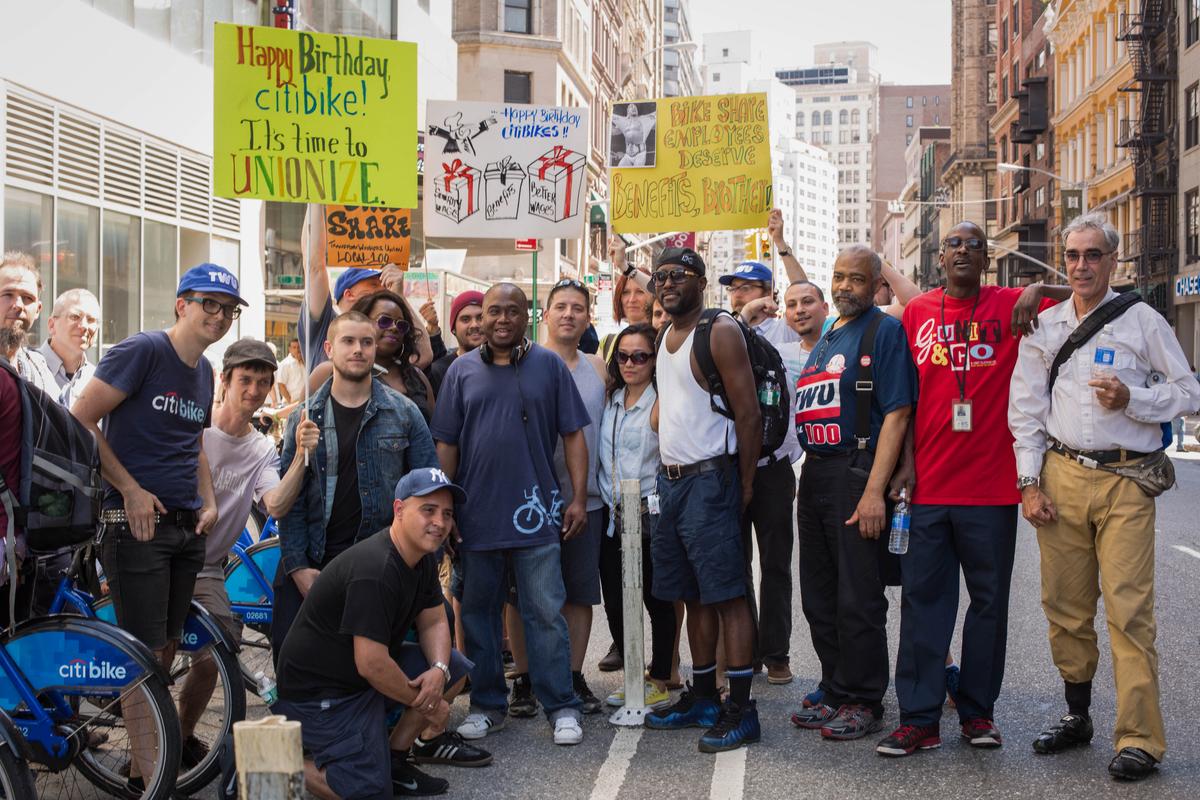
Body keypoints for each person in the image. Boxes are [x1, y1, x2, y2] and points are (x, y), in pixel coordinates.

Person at [1008, 213, 1200, 781]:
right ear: (1062, 261)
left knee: (1128, 610)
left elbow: (1189, 390)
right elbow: (1026, 413)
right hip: (1061, 476)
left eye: (1094, 255)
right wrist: (1028, 483)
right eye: (1073, 255)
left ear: (1113, 261)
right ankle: (1077, 716)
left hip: (1125, 481)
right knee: (1065, 608)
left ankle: (1140, 737)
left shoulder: (1141, 321)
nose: (1082, 265)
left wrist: (1134, 399)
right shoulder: (1044, 327)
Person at [876, 223, 1068, 758]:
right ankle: (919, 718)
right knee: (922, 603)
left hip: (991, 491)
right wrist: (904, 466)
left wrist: (1038, 291)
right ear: (939, 258)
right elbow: (905, 399)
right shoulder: (916, 313)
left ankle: (979, 713)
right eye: (954, 245)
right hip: (929, 488)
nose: (963, 251)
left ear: (987, 259)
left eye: (974, 245)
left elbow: (1088, 292)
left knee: (988, 605)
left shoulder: (1010, 305)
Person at [71, 264, 234, 787]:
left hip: (186, 529)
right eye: (209, 303)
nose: (220, 315)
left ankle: (146, 770)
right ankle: (150, 782)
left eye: (228, 308)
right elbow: (80, 417)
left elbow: (195, 447)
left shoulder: (205, 371)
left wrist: (208, 501)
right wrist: (130, 488)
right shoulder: (143, 350)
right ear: (181, 304)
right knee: (141, 660)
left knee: (161, 654)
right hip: (136, 523)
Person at [430, 283, 589, 747]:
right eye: (491, 311)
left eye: (511, 311)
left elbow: (574, 436)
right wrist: (444, 511)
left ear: (527, 316)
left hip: (537, 517)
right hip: (475, 520)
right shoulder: (460, 372)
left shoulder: (549, 366)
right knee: (477, 615)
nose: (499, 319)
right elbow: (447, 445)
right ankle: (486, 705)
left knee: (544, 613)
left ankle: (561, 706)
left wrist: (577, 497)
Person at [272, 469, 488, 800]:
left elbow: (433, 621)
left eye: (447, 514)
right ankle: (273, 762)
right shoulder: (376, 569)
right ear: (399, 510)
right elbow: (371, 663)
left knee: (454, 669)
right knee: (368, 791)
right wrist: (428, 704)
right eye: (428, 510)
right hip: (318, 693)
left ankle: (395, 761)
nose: (440, 522)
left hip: (358, 677)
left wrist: (438, 671)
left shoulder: (422, 557)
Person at [788, 246, 916, 741]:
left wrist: (874, 492)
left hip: (856, 473)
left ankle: (864, 698)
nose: (845, 287)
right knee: (819, 595)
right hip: (815, 475)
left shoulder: (884, 331)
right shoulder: (828, 335)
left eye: (857, 279)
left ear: (876, 283)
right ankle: (836, 687)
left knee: (858, 598)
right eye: (839, 277)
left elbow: (899, 413)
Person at [644, 246, 763, 753]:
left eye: (679, 275)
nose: (667, 283)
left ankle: (740, 708)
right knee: (691, 595)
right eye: (660, 277)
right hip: (672, 483)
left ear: (700, 280)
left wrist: (744, 486)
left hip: (711, 479)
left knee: (727, 594)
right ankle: (704, 698)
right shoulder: (663, 336)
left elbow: (749, 413)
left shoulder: (718, 330)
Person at [178, 338, 318, 764]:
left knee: (216, 653)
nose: (254, 390)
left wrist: (300, 455)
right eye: (245, 380)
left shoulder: (260, 448)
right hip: (160, 557)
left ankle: (178, 737)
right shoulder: (194, 429)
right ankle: (150, 753)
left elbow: (274, 504)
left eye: (263, 382)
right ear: (224, 380)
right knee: (145, 657)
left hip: (206, 568)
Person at [274, 311, 439, 662]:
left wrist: (416, 566)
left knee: (377, 666)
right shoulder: (304, 418)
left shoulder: (405, 413)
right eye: (348, 341)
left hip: (380, 563)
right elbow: (292, 505)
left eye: (366, 342)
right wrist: (298, 567)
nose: (359, 350)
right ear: (330, 349)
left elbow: (428, 493)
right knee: (296, 665)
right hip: (318, 560)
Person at [505, 279, 607, 717]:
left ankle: (572, 674)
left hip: (588, 499)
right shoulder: (520, 364)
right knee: (521, 593)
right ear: (544, 315)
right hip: (530, 501)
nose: (569, 313)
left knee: (578, 592)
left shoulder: (600, 368)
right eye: (560, 306)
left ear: (588, 317)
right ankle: (525, 677)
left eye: (577, 307)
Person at [721, 259, 802, 686]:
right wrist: (741, 318)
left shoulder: (786, 329)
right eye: (733, 287)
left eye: (748, 286)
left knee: (775, 565)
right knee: (735, 562)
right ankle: (744, 651)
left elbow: (805, 292)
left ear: (768, 292)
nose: (739, 293)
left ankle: (776, 654)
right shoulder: (723, 328)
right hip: (731, 466)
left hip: (773, 469)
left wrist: (784, 245)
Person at [597, 323, 678, 709]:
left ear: (653, 360)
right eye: (623, 356)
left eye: (640, 356)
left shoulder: (662, 401)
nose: (631, 363)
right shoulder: (609, 399)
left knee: (655, 599)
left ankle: (659, 676)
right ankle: (633, 673)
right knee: (616, 599)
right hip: (612, 516)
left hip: (649, 514)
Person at [300, 207, 432, 371]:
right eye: (374, 285)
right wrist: (316, 200)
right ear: (349, 293)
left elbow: (424, 355)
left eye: (385, 286)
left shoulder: (384, 335)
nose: (382, 291)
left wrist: (398, 297)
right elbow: (314, 268)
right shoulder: (326, 324)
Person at [307, 291, 436, 424]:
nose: (394, 328)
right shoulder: (328, 371)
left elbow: (434, 435)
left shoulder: (417, 377)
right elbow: (300, 424)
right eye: (384, 321)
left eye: (401, 325)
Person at [0, 252, 57, 395]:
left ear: (38, 310)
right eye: (8, 295)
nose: (18, 305)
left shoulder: (40, 369)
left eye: (27, 298)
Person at [36, 287, 100, 409]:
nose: (84, 326)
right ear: (51, 325)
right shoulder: (26, 370)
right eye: (75, 317)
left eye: (91, 320)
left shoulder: (98, 380)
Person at [429, 290, 485, 396]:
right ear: (453, 328)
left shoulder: (506, 367)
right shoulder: (439, 371)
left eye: (480, 318)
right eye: (465, 319)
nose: (474, 325)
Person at [276, 338, 306, 404]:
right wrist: (290, 401)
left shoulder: (305, 362)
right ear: (290, 349)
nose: (297, 350)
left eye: (299, 347)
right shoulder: (285, 364)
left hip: (304, 401)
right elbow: (281, 385)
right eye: (294, 347)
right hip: (291, 403)